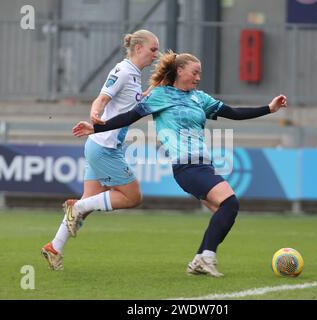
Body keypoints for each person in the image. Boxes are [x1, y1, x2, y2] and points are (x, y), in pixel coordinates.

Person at [71, 50, 287, 277]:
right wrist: (96, 127)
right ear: (180, 71)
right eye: (195, 72)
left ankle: (199, 260)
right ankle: (206, 256)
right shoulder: (159, 96)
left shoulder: (199, 98)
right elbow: (128, 117)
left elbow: (233, 113)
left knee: (225, 212)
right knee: (230, 204)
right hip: (186, 166)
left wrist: (269, 109)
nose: (198, 77)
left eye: (200, 73)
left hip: (204, 165)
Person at [41, 30, 160, 271]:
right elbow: (103, 97)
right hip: (105, 147)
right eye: (153, 49)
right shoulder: (124, 70)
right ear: (138, 48)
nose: (156, 54)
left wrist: (149, 94)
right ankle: (76, 208)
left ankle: (54, 247)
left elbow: (127, 103)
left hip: (100, 145)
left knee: (87, 203)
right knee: (132, 197)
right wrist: (95, 113)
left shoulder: (134, 75)